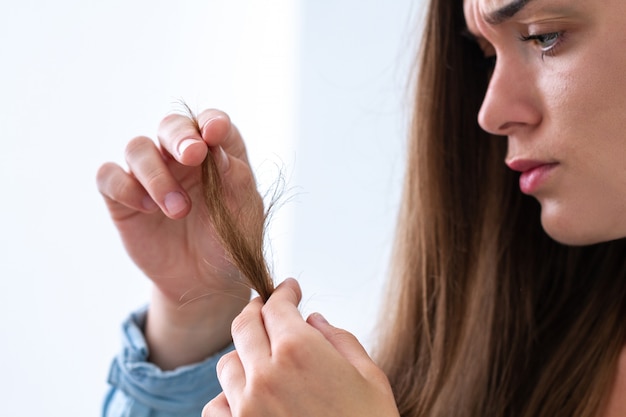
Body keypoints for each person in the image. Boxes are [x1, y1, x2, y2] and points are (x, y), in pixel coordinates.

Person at [97, 0, 626, 416]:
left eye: (543, 36)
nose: (490, 112)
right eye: (487, 56)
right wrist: (200, 308)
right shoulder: (522, 344)